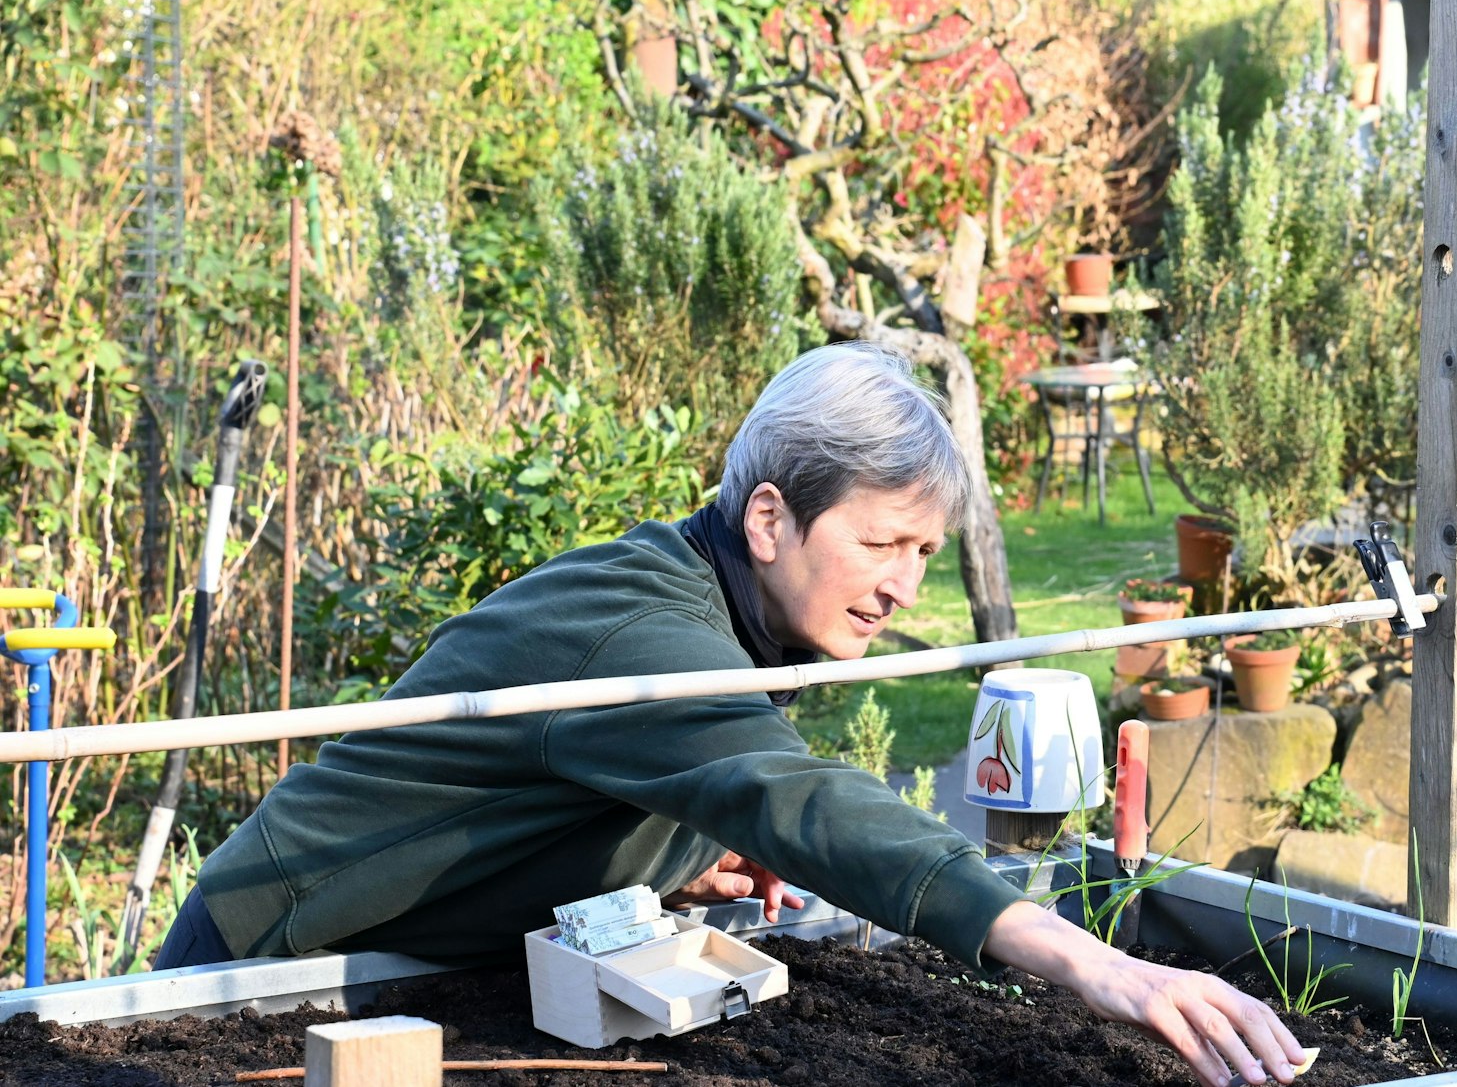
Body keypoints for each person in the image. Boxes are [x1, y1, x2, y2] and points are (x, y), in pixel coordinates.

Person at [160, 343, 1303, 1087]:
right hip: (259, 969)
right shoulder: (643, 635)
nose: (904, 586)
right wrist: (1097, 966)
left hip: (411, 976)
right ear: (769, 519)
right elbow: (796, 794)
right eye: (880, 543)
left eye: (922, 553)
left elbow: (592, 787)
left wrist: (668, 851)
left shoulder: (717, 604)